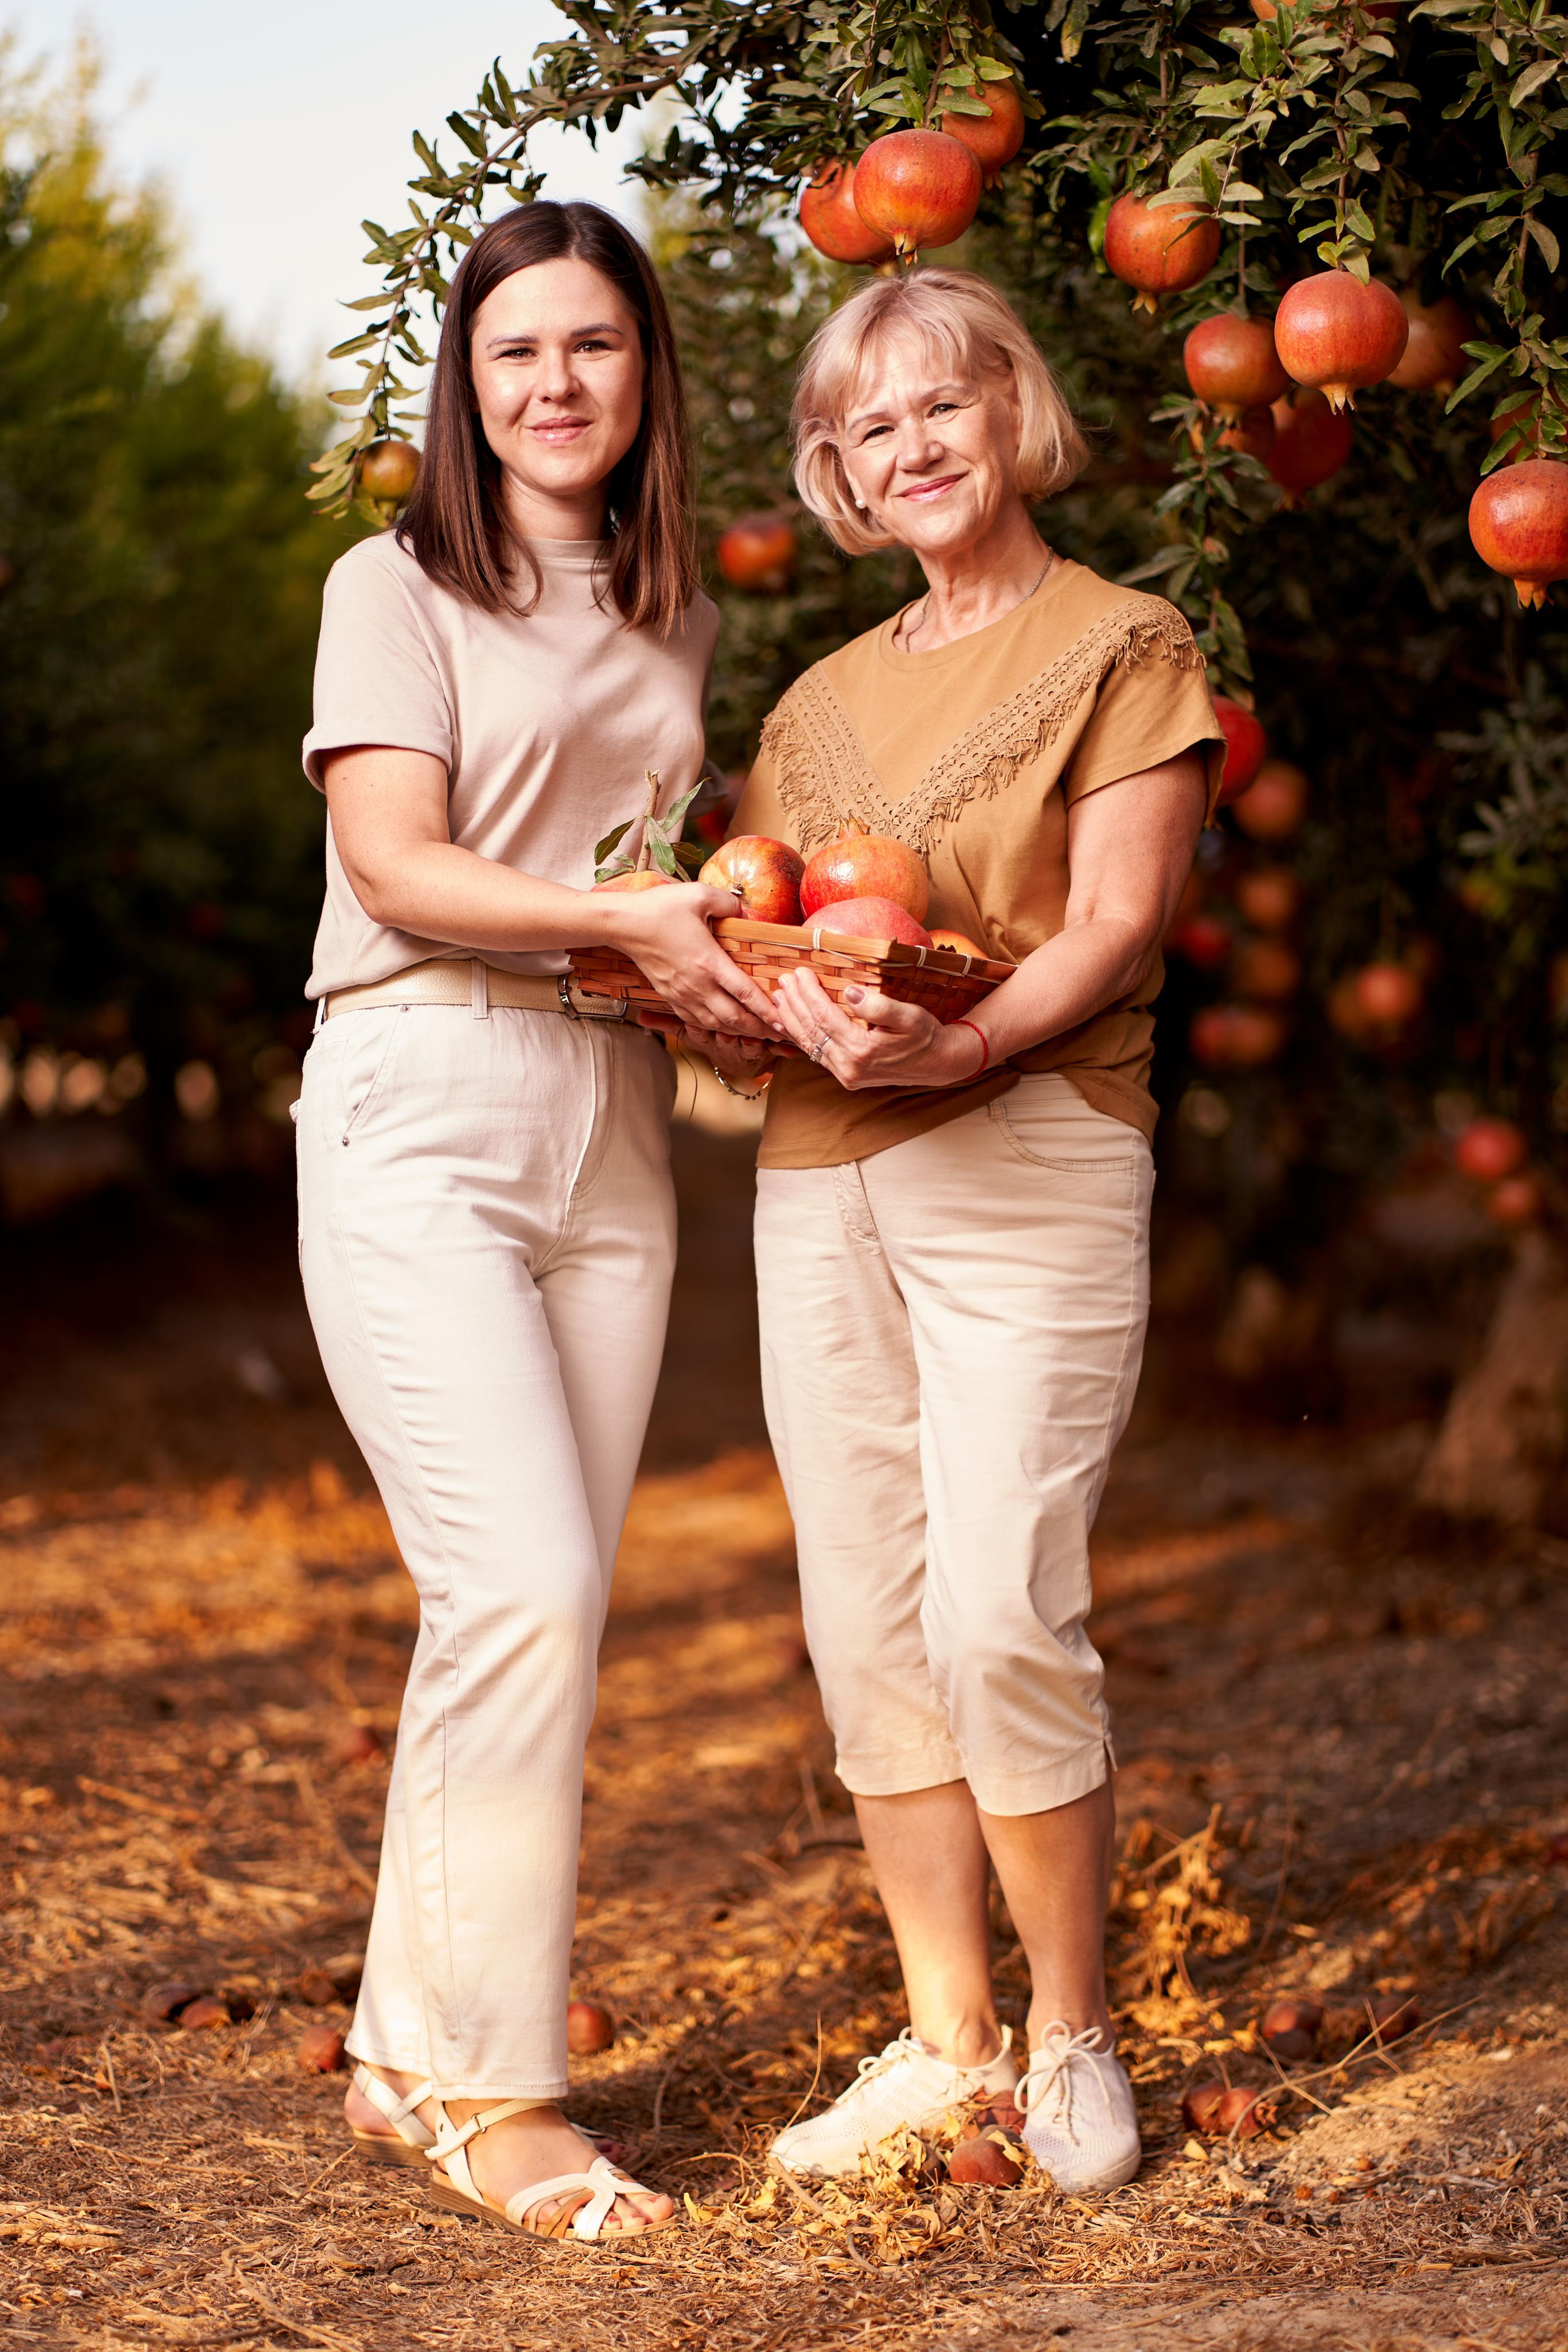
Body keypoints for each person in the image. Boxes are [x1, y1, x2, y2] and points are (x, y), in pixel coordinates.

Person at [688, 269, 1222, 2191]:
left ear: (1015, 413)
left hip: (1035, 1144)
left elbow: (1116, 925)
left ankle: (1072, 2032)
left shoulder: (1125, 641)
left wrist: (964, 1041)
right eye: (867, 429)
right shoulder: (820, 701)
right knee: (868, 1620)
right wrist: (744, 1006)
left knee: (1005, 1599)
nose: (910, 448)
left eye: (943, 406)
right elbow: (766, 932)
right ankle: (949, 2044)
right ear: (836, 469)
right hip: (823, 1175)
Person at [295, 200, 778, 2247]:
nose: (554, 385)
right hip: (421, 1101)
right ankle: (506, 2097)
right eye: (515, 354)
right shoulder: (389, 584)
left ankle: (408, 2051)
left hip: (611, 1124)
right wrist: (621, 920)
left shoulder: (672, 613)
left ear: (644, 373)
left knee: (522, 1614)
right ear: (465, 387)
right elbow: (398, 863)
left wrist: (741, 962)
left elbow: (651, 885)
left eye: (592, 346)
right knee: (527, 1592)